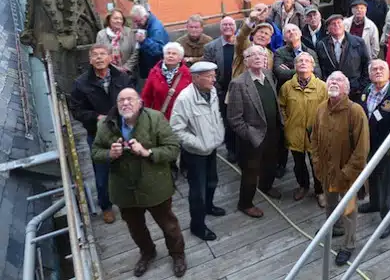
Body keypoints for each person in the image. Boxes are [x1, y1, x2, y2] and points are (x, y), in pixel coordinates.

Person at [91, 88, 186, 278]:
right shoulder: (106, 124)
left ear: (140, 102)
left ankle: (178, 254)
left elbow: (173, 148)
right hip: (124, 189)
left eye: (130, 99)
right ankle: (147, 252)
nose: (125, 103)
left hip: (154, 186)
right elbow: (95, 152)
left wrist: (147, 152)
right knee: (135, 228)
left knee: (169, 225)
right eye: (121, 101)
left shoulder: (155, 118)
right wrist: (109, 154)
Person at [69, 44, 133, 224]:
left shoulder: (122, 77)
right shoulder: (81, 84)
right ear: (90, 60)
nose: (99, 58)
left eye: (102, 54)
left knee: (128, 165)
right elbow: (76, 110)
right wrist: (96, 117)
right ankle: (106, 206)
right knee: (102, 171)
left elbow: (134, 98)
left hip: (123, 129)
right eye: (95, 55)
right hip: (97, 134)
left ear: (110, 57)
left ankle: (129, 199)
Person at [311, 71, 369, 266]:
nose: (334, 83)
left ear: (346, 88)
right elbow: (314, 140)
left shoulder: (356, 112)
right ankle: (333, 228)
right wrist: (317, 164)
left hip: (348, 176)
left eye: (339, 81)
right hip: (327, 172)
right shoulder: (320, 109)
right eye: (331, 80)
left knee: (349, 212)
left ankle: (348, 245)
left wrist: (345, 174)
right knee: (330, 205)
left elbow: (362, 150)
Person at [170, 62, 225, 243]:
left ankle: (209, 207)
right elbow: (176, 129)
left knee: (212, 181)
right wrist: (199, 144)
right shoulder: (184, 99)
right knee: (197, 192)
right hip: (195, 153)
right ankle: (198, 226)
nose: (214, 79)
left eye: (213, 75)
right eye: (209, 76)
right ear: (196, 78)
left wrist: (217, 135)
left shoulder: (212, 91)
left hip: (211, 147)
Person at [227, 46, 285, 218]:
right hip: (253, 137)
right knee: (250, 172)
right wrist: (249, 135)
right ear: (246, 61)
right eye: (253, 55)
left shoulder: (268, 75)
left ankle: (266, 186)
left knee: (270, 163)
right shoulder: (238, 84)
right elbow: (234, 118)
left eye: (261, 54)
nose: (258, 57)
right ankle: (245, 203)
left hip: (273, 131)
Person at [358, 60, 390, 239]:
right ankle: (374, 203)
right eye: (374, 69)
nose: (378, 71)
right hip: (371, 145)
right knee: (372, 176)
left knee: (388, 183)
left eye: (381, 68)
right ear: (370, 73)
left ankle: (388, 219)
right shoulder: (366, 91)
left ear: (388, 73)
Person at [278, 52, 328, 206]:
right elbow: (281, 107)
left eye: (307, 61)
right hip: (294, 133)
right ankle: (303, 186)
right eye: (300, 61)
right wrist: (287, 124)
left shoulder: (322, 87)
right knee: (298, 164)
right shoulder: (287, 87)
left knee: (317, 165)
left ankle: (320, 191)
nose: (303, 63)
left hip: (316, 135)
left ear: (313, 67)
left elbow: (329, 110)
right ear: (294, 66)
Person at [204, 17, 237, 162]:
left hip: (240, 90)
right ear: (220, 27)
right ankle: (231, 149)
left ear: (235, 27)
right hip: (222, 90)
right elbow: (208, 70)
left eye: (231, 24)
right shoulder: (211, 47)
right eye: (225, 25)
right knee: (227, 121)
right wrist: (217, 88)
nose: (228, 27)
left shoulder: (242, 44)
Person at [315, 14, 370, 103]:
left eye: (339, 22)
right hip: (331, 92)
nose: (336, 25)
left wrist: (360, 86)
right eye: (333, 24)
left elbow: (366, 66)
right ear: (328, 29)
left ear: (344, 25)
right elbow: (320, 67)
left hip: (355, 92)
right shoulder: (321, 45)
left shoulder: (358, 42)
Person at [141, 42, 192, 120]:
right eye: (168, 53)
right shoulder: (154, 72)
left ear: (180, 58)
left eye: (174, 54)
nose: (170, 56)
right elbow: (146, 96)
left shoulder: (187, 74)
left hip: (181, 118)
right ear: (164, 56)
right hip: (160, 118)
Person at [233, 5, 275, 78]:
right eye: (260, 32)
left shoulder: (270, 55)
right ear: (253, 35)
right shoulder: (245, 47)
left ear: (269, 40)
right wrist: (250, 21)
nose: (262, 35)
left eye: (266, 34)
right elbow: (242, 37)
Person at [131, 5, 169, 84]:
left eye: (138, 21)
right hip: (150, 68)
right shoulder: (146, 24)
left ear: (145, 17)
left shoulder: (156, 28)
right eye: (134, 21)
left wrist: (144, 41)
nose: (136, 24)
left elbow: (159, 50)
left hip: (157, 68)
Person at [96, 9, 138, 74]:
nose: (119, 21)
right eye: (115, 18)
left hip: (128, 73)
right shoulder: (101, 35)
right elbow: (99, 54)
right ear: (109, 19)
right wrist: (113, 68)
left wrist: (126, 67)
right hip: (109, 72)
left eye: (121, 19)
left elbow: (136, 51)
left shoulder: (129, 32)